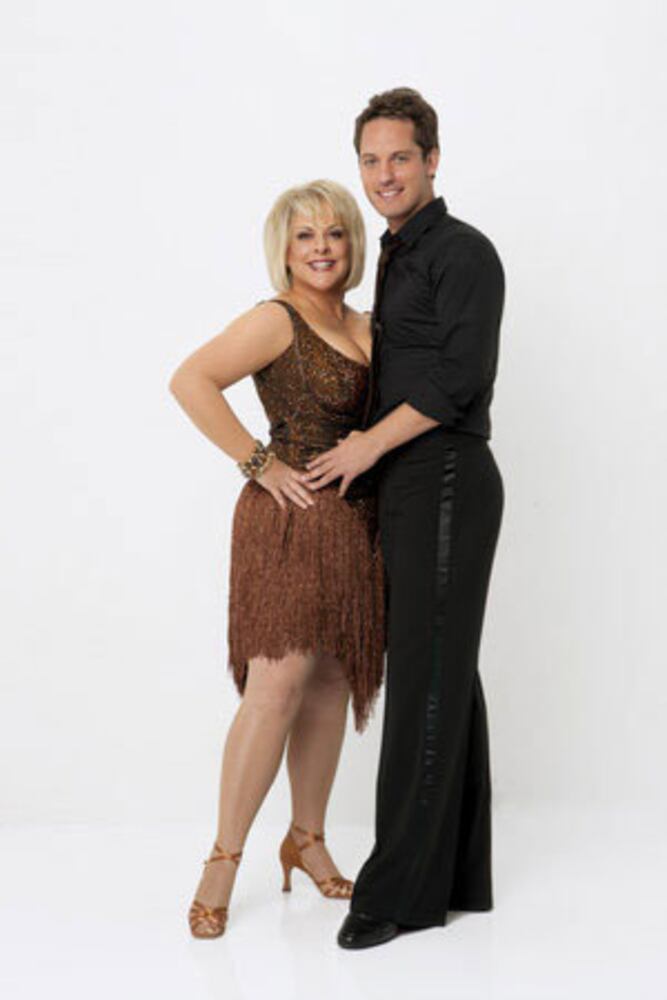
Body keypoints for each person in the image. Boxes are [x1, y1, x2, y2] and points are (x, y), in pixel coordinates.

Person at [303, 88, 505, 948]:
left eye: (399, 157)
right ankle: (456, 875)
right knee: (444, 673)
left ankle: (396, 896)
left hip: (447, 475)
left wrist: (363, 448)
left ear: (431, 160)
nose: (383, 173)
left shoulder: (463, 251)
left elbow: (457, 380)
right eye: (370, 160)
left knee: (423, 675)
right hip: (410, 484)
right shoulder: (392, 254)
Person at [169, 179, 384, 939]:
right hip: (287, 522)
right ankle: (222, 861)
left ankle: (307, 839)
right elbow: (190, 379)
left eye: (334, 233)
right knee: (276, 686)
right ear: (284, 251)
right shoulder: (275, 318)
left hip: (356, 525)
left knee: (330, 682)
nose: (322, 248)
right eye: (305, 236)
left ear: (352, 242)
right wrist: (258, 463)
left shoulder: (367, 324)